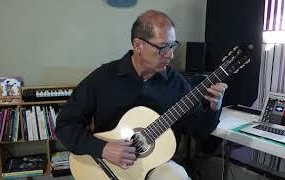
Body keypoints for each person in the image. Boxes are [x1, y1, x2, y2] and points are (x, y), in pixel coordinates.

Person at [55, 9, 228, 180]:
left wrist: (214, 108)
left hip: (157, 166)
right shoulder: (104, 77)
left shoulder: (177, 84)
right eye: (163, 47)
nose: (171, 55)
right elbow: (65, 125)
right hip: (106, 164)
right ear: (138, 45)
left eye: (173, 45)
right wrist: (103, 148)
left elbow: (199, 133)